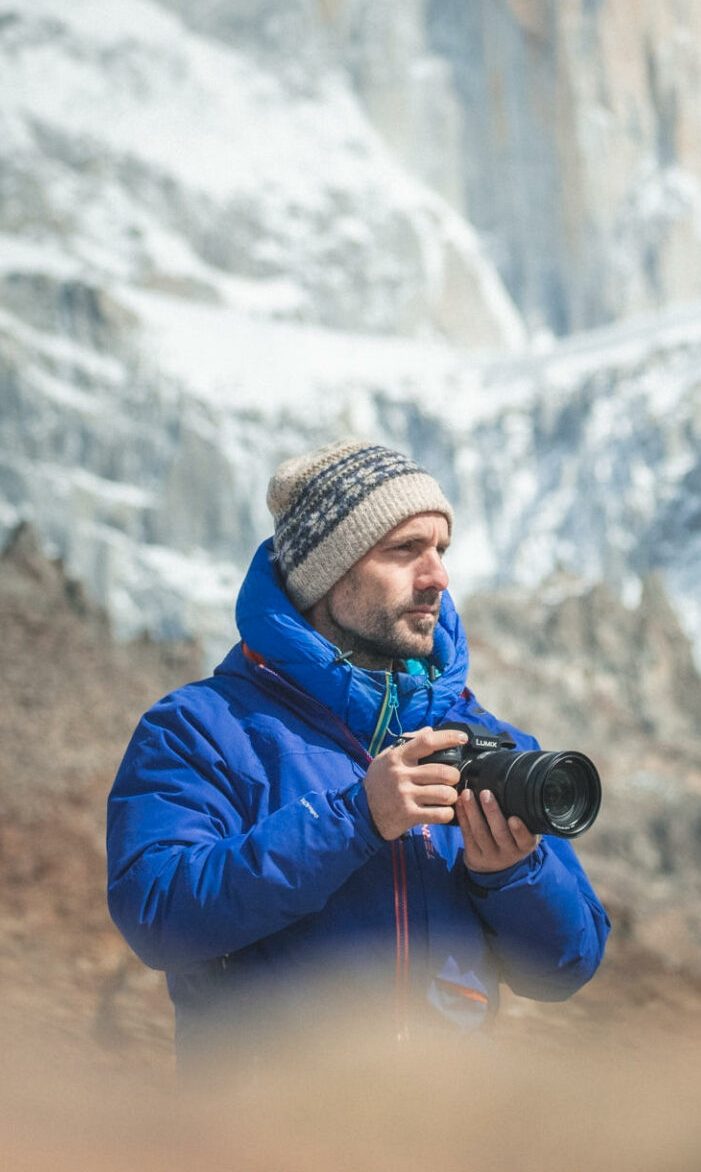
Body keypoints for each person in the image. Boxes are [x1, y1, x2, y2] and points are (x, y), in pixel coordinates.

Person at [107, 440, 609, 1056]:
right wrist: (355, 819)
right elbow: (158, 915)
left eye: (441, 551)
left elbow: (567, 966)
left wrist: (512, 874)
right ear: (327, 574)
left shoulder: (489, 742)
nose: (438, 578)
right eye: (404, 550)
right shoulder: (201, 728)